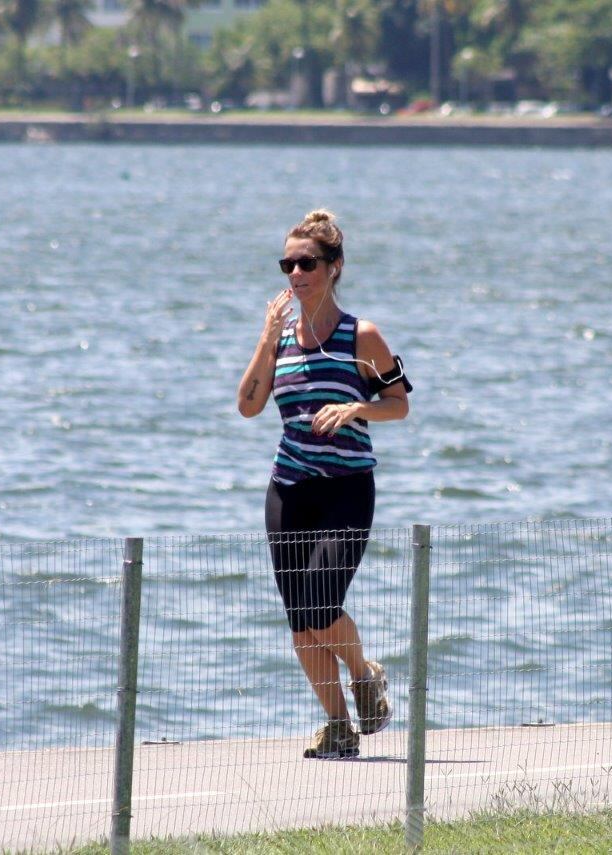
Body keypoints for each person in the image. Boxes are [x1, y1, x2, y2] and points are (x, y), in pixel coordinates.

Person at [236, 209, 412, 759]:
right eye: (287, 263)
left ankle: (364, 677)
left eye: (306, 263)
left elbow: (399, 405)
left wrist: (357, 405)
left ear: (333, 267)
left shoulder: (362, 336)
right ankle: (338, 726)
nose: (295, 273)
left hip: (346, 488)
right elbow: (248, 406)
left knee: (320, 598)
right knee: (299, 617)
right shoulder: (281, 337)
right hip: (288, 490)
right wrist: (266, 339)